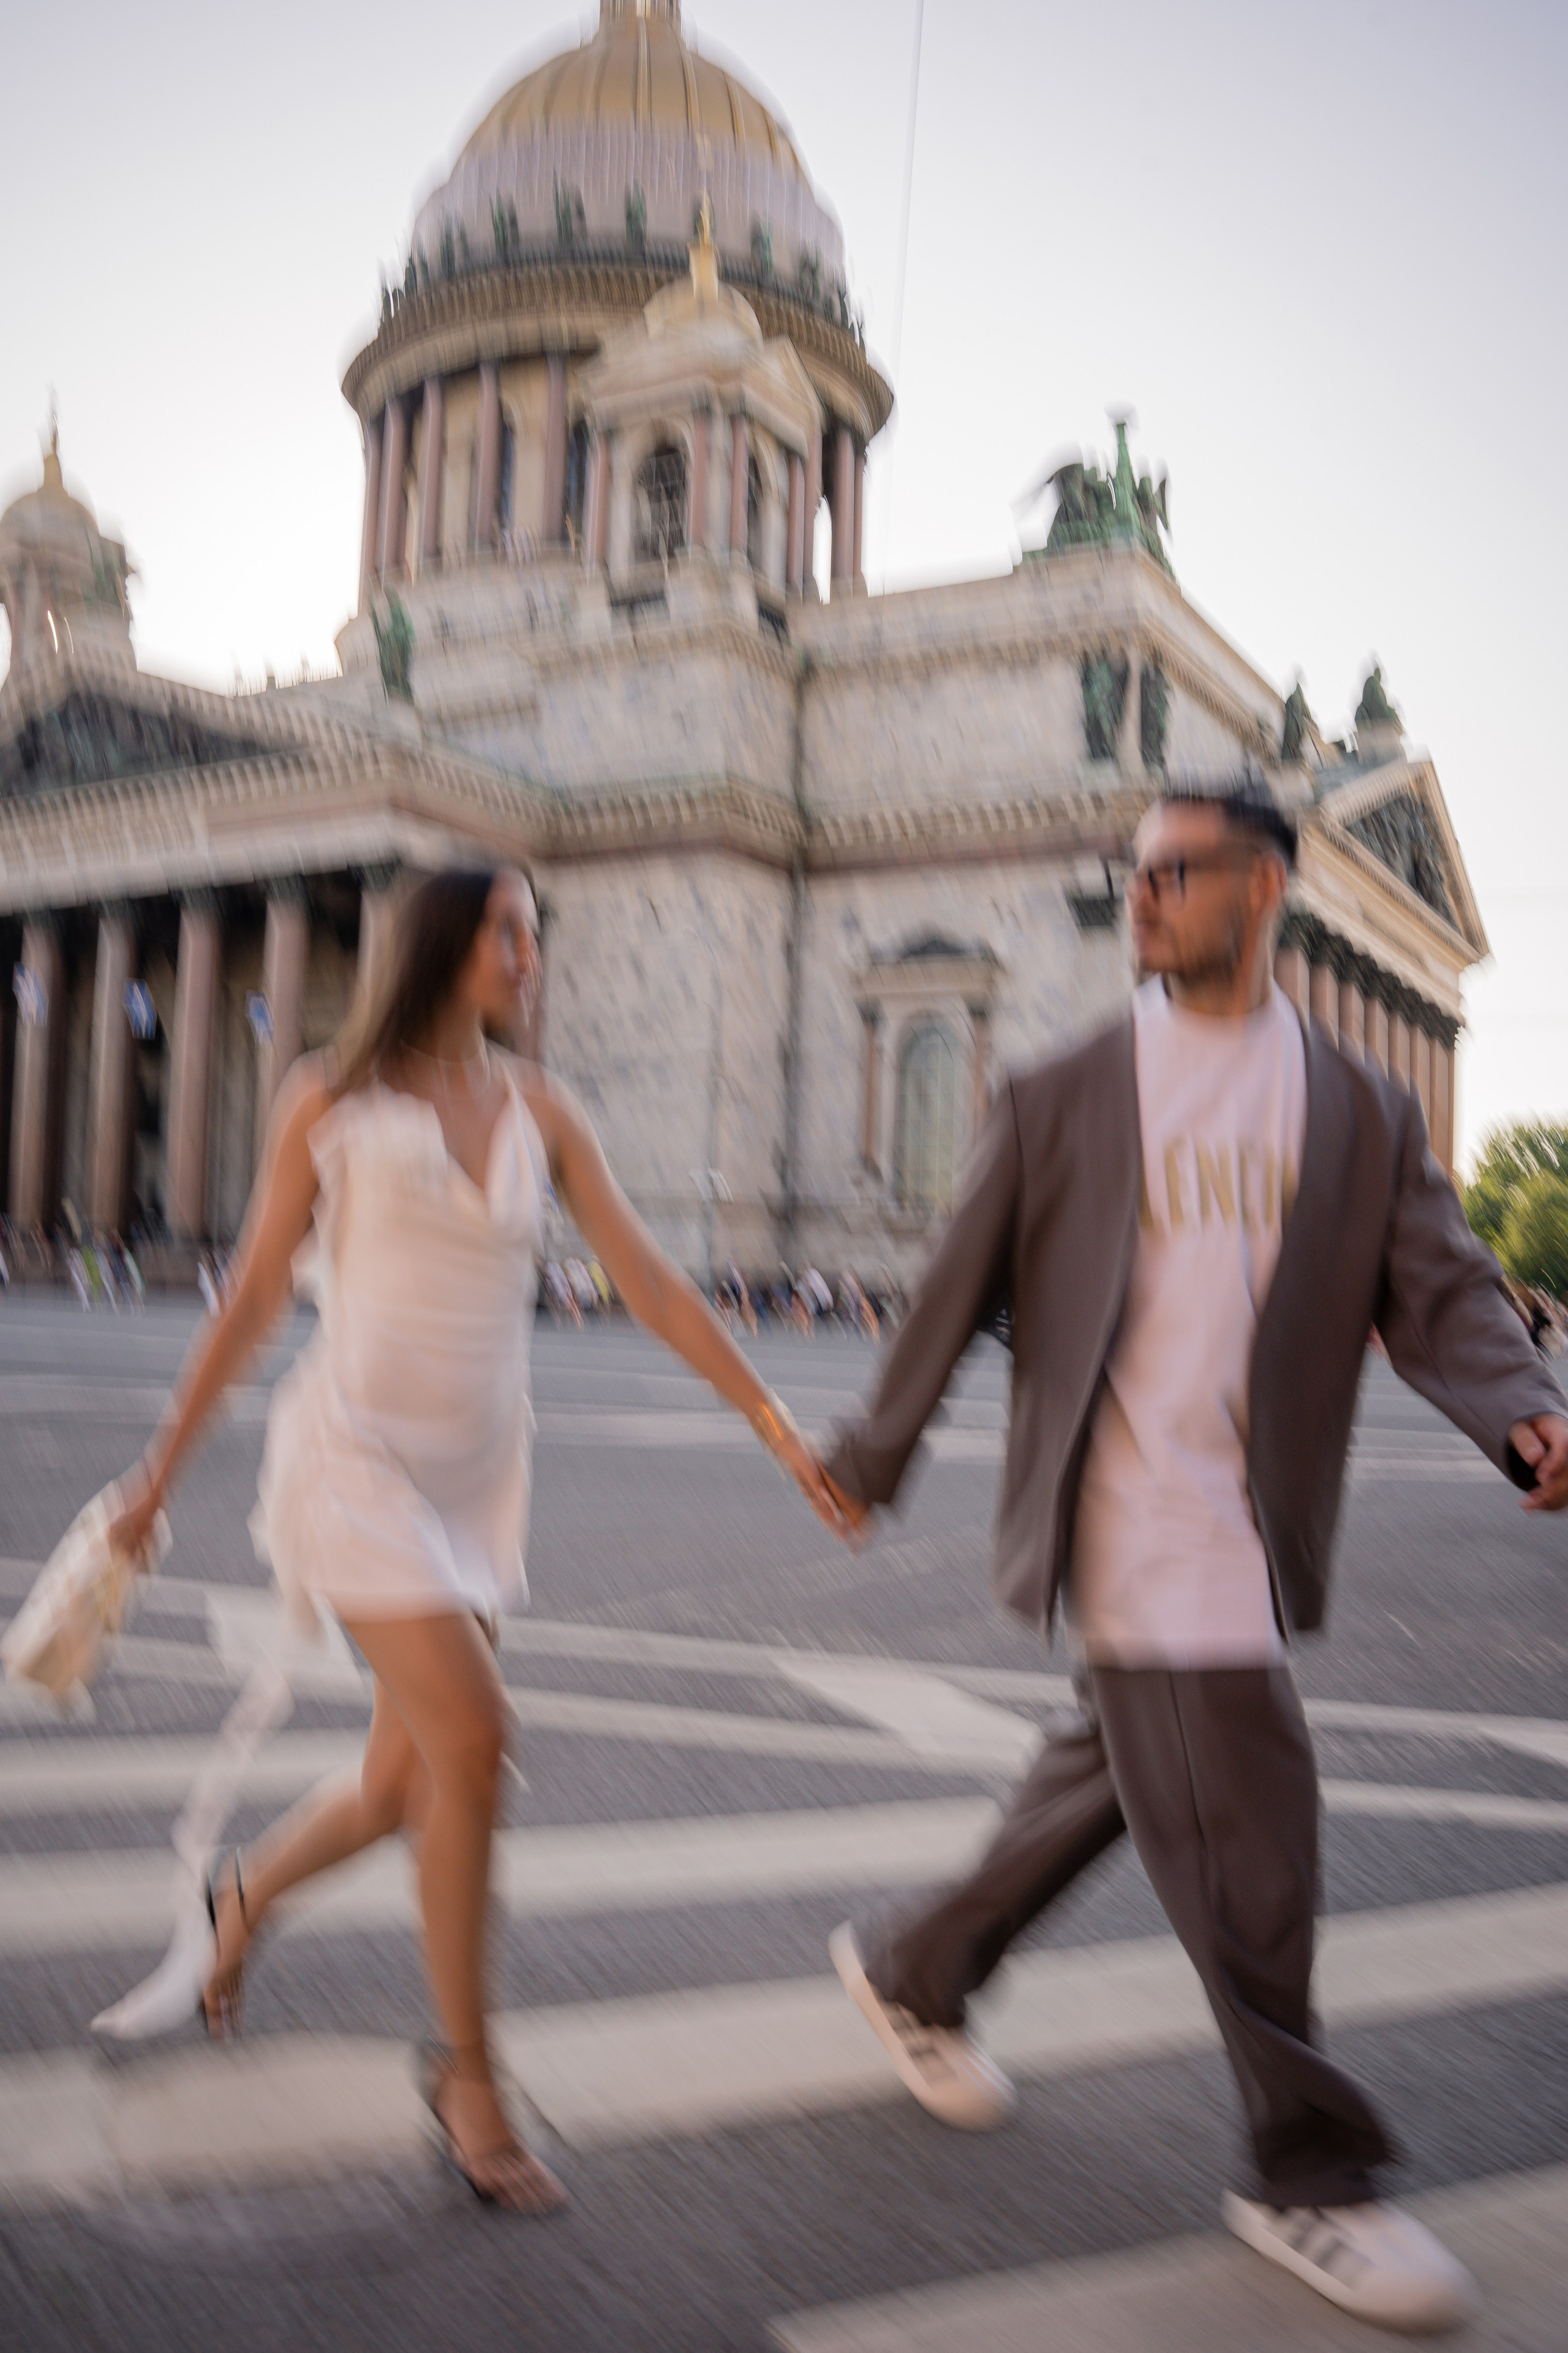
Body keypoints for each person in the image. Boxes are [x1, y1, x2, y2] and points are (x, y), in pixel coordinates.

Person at [816, 782, 1568, 2335]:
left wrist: (1526, 1415)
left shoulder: (1358, 1105)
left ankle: (913, 1967)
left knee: (1115, 1775)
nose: (1139, 896)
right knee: (1253, 1822)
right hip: (1127, 1507)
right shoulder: (1065, 1090)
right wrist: (867, 1459)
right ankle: (1308, 2169)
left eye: (1171, 872)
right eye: (1134, 873)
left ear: (1264, 889)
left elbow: (1440, 1285)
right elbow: (953, 1292)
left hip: (1249, 1507)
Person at [110, 867, 847, 2216]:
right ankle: (470, 2073)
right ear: (449, 946)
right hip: (354, 1462)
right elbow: (258, 1296)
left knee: (408, 1782)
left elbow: (649, 1279)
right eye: (511, 931)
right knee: (476, 1736)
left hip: (474, 1482)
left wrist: (773, 1420)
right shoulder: (328, 1096)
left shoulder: (541, 1109)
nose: (533, 954)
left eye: (536, 933)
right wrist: (158, 1471)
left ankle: (246, 1890)